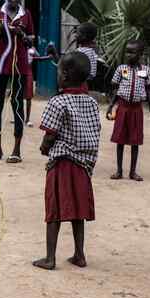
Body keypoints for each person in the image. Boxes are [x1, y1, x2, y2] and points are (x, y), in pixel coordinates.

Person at [33, 52, 101, 270]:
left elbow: (50, 134)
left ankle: (50, 258)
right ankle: (79, 254)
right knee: (77, 211)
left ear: (64, 75)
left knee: (54, 210)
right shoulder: (91, 102)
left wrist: (44, 148)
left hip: (61, 163)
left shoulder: (58, 101)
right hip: (83, 165)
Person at [0, 0, 35, 163]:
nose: (13, 1)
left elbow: (31, 42)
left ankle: (16, 149)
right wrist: (2, 30)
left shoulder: (26, 15)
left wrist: (22, 34)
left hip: (19, 67)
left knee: (17, 105)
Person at [107, 40, 150, 181]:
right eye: (127, 52)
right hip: (123, 108)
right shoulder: (122, 69)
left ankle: (133, 172)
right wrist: (111, 106)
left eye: (132, 52)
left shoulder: (145, 70)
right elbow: (116, 89)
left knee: (135, 141)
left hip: (137, 109)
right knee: (120, 140)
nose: (128, 55)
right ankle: (119, 170)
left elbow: (147, 90)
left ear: (140, 54)